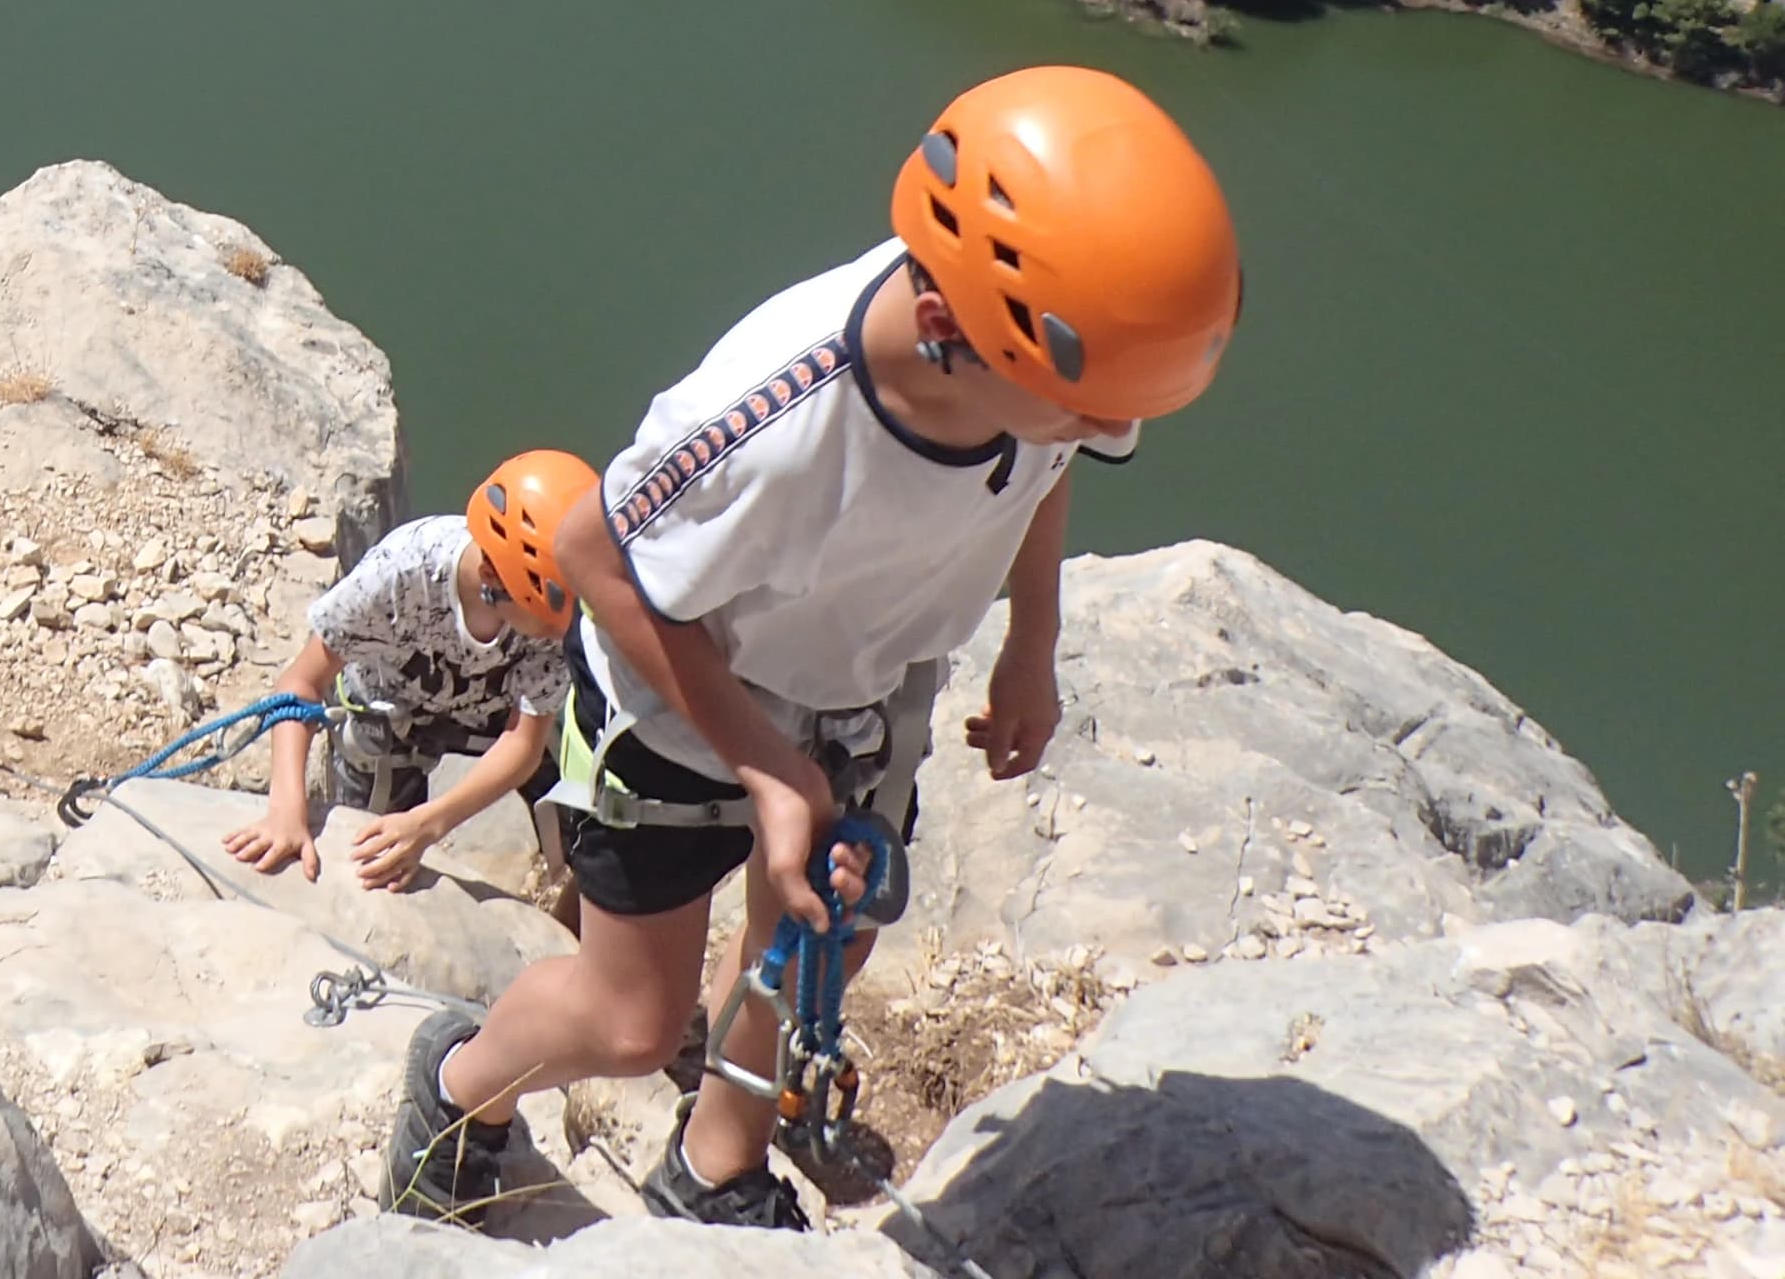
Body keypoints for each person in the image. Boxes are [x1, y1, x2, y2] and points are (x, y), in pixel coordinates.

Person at [387, 66, 1242, 1232]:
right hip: (674, 709)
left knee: (815, 943)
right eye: (1093, 410)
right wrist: (768, 769)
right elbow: (600, 559)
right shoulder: (779, 419)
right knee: (634, 1024)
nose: (1113, 435)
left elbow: (1040, 470)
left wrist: (1030, 643)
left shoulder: (1028, 366)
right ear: (945, 327)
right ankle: (455, 1091)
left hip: (860, 689)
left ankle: (714, 1164)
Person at [226, 448, 591, 895]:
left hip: (493, 713)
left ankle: (571, 924)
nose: (560, 635)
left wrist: (432, 824)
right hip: (390, 711)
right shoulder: (401, 573)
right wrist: (286, 806)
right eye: (550, 621)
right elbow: (301, 683)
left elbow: (523, 743)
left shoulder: (555, 608)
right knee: (369, 855)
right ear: (497, 582)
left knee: (579, 813)